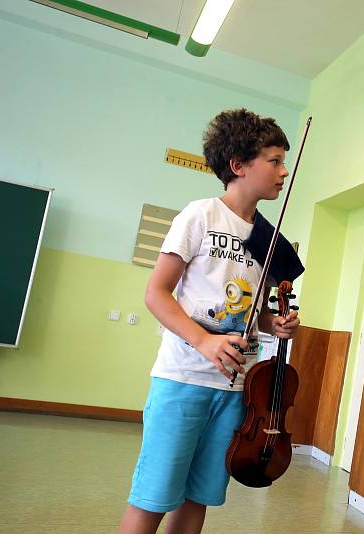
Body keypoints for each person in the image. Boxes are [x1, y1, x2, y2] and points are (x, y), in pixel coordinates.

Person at [119, 109, 302, 534]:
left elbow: (256, 311)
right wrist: (203, 341)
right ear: (238, 166)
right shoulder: (200, 216)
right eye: (274, 160)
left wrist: (274, 323)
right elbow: (156, 293)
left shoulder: (268, 240)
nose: (283, 171)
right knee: (153, 496)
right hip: (183, 378)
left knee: (199, 496)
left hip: (235, 388)